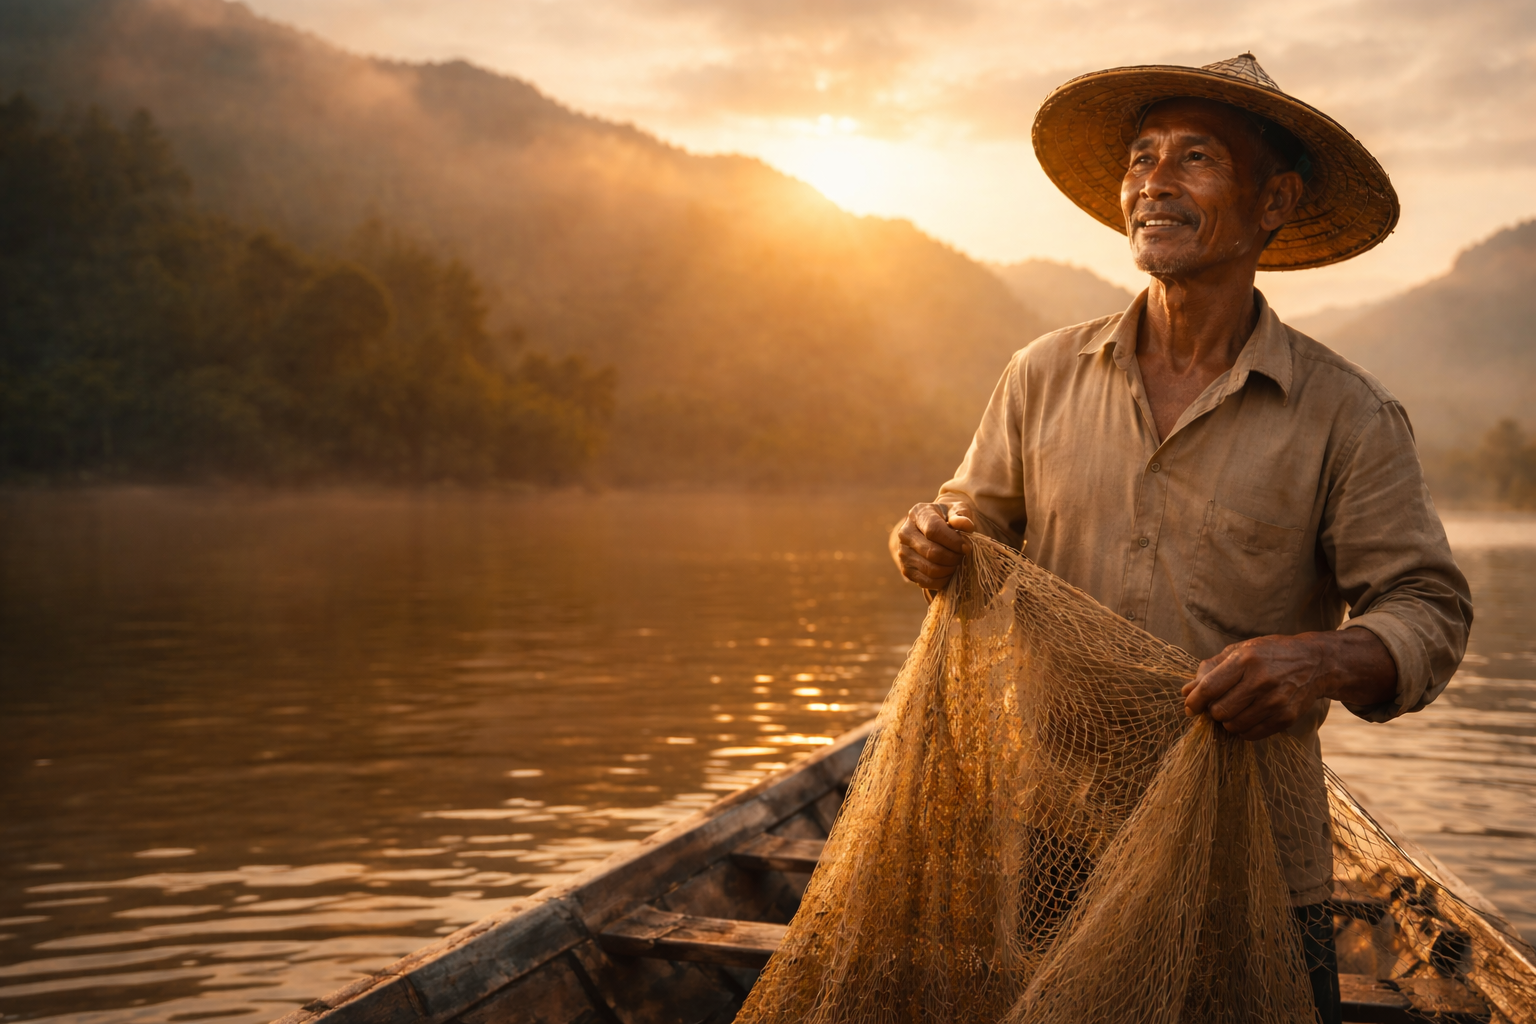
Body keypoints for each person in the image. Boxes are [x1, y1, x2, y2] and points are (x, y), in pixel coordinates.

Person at [889, 54, 1473, 1024]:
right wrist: (927, 542)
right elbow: (968, 523)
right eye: (1141, 157)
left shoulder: (1345, 413)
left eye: (1193, 158)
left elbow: (1430, 610)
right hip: (1058, 838)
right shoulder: (1041, 375)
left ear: (1273, 200)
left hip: (1247, 855)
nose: (1152, 182)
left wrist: (1319, 658)